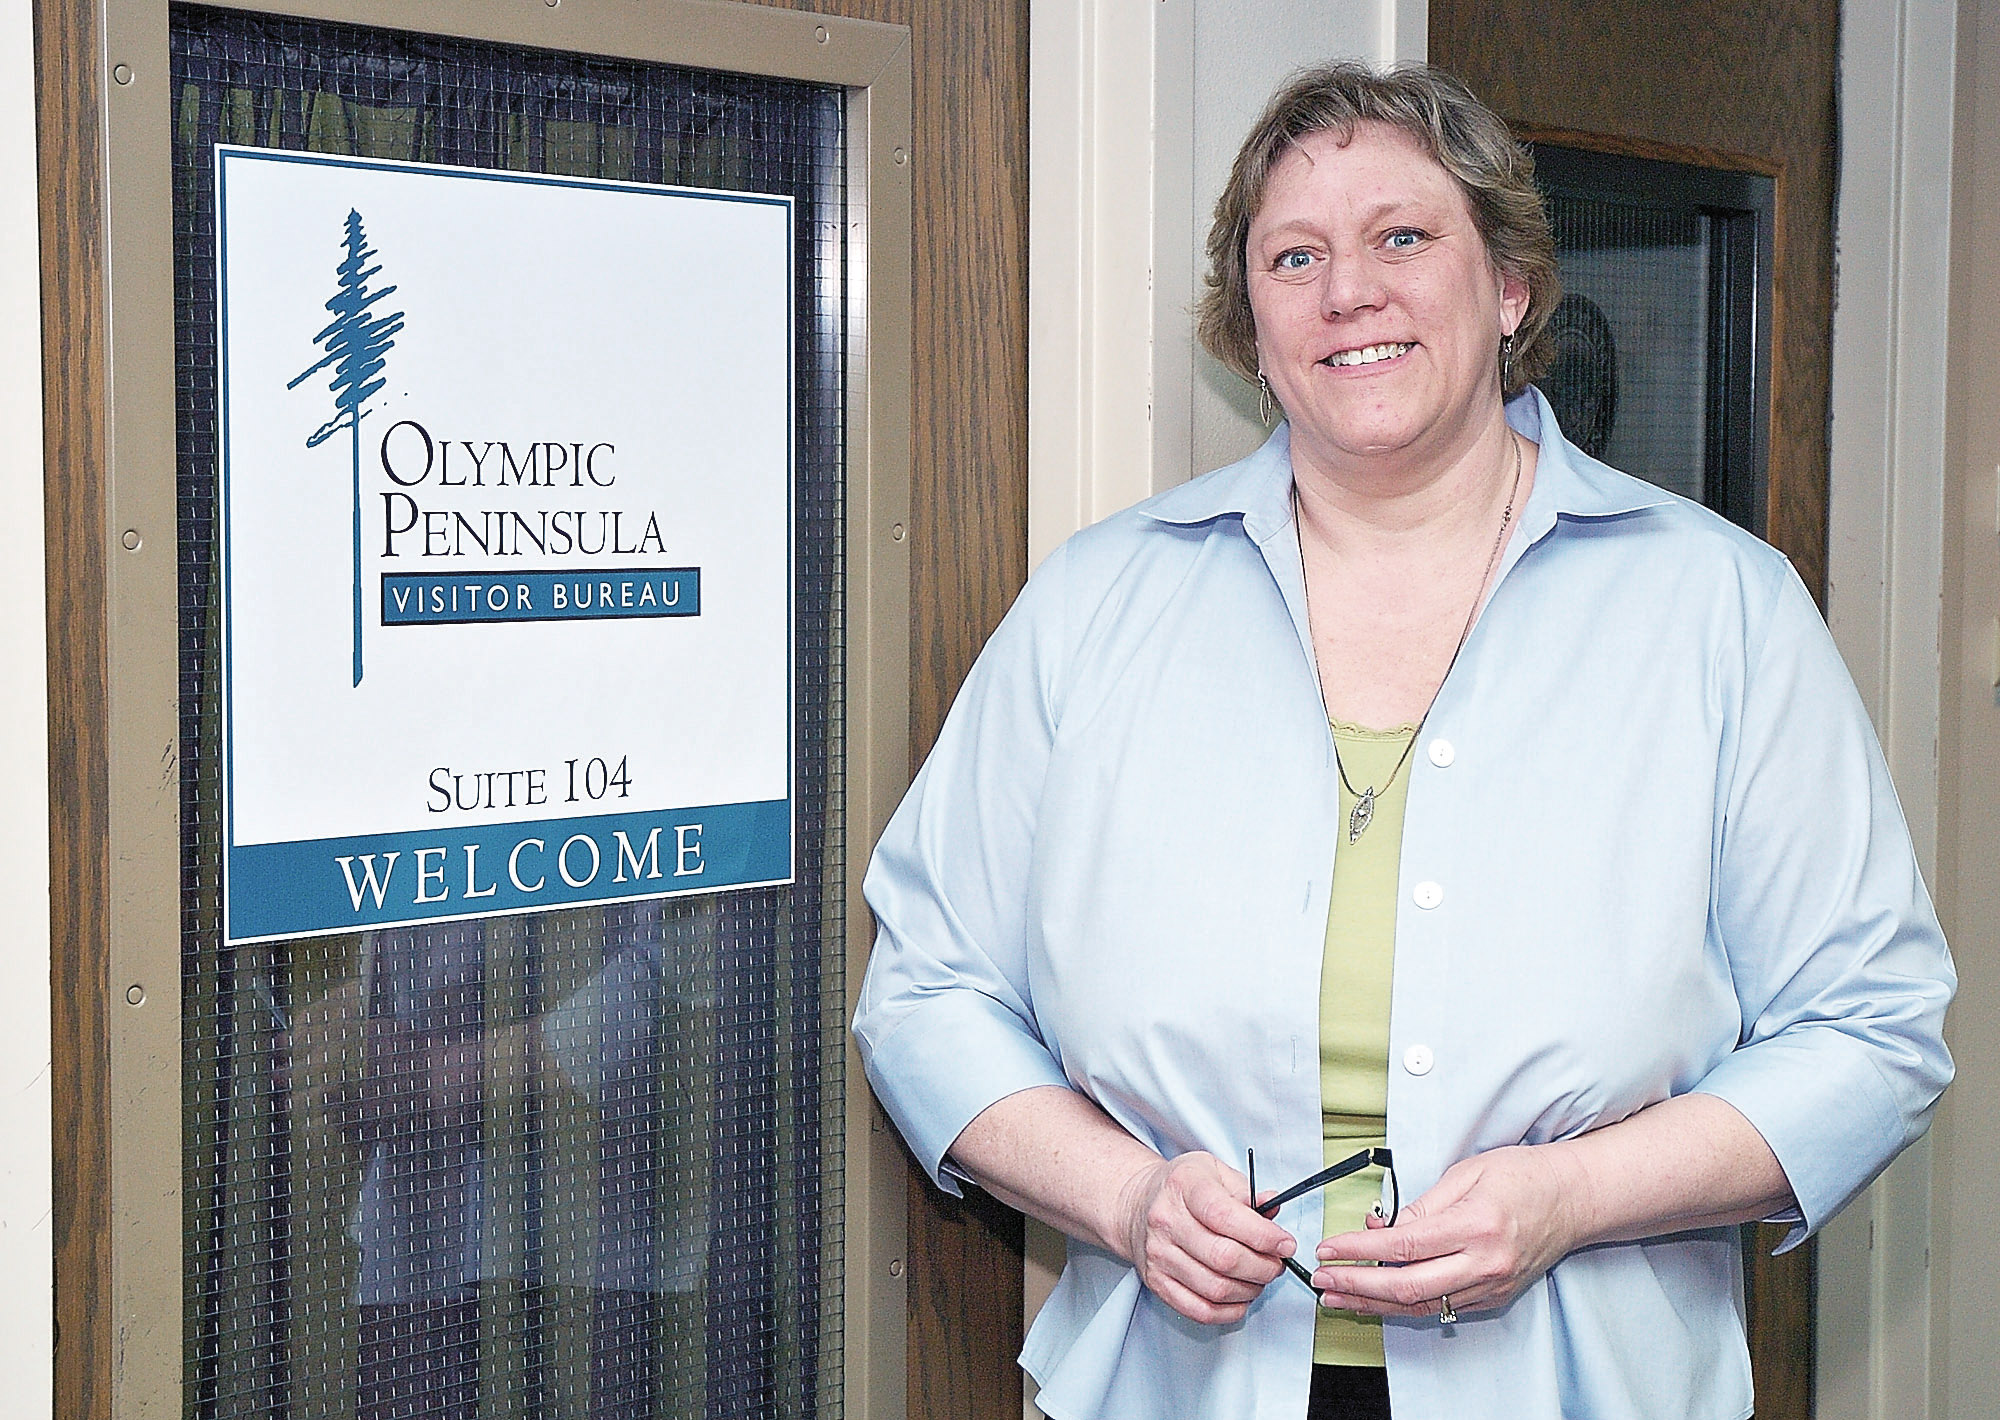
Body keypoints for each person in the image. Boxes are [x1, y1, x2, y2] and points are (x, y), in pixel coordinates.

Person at [852, 61, 1955, 1420]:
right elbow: (925, 990)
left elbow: (1874, 1030)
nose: (1346, 292)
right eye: (1294, 254)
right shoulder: (1097, 604)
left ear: (1508, 288)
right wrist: (1128, 1199)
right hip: (1177, 1384)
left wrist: (1568, 1199)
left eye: (1403, 238)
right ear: (1249, 323)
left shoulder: (1718, 612)